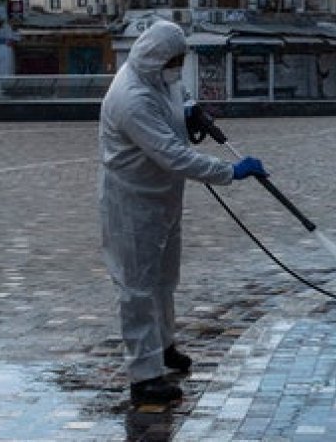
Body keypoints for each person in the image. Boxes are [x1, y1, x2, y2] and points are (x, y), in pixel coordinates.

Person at [98, 20, 267, 405]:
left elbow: (175, 100)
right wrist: (230, 172)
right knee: (137, 288)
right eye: (174, 60)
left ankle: (163, 346)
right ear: (157, 56)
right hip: (132, 204)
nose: (178, 66)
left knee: (163, 279)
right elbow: (174, 156)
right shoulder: (130, 97)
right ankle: (144, 377)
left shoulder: (160, 76)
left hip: (163, 198)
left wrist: (190, 111)